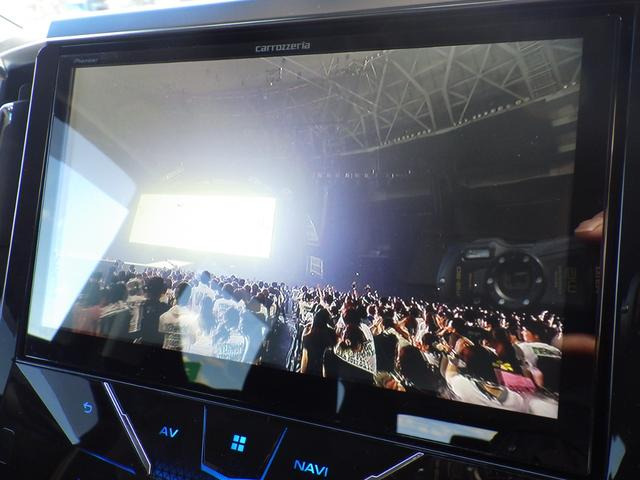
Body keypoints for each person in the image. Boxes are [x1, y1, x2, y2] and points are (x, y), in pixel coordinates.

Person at [159, 282, 197, 351]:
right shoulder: (192, 320)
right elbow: (192, 340)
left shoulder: (163, 316)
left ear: (175, 295)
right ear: (189, 297)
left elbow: (161, 335)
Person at [300, 308, 335, 376]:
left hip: (311, 369)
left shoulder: (308, 337)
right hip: (327, 371)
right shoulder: (332, 334)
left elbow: (305, 360)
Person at [138, 276, 169, 346]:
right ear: (162, 291)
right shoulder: (166, 308)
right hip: (159, 343)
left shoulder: (140, 305)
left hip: (142, 341)